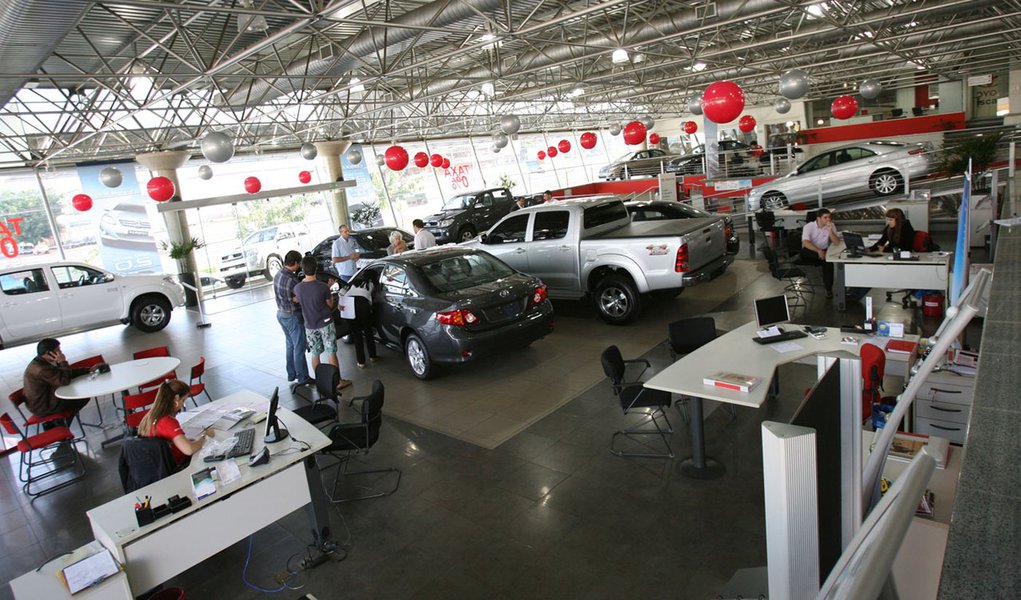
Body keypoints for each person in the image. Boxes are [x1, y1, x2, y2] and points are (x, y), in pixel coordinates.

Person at [294, 256, 352, 390]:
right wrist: (329, 289)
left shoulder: (297, 288)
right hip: (325, 323)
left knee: (315, 353)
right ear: (316, 269)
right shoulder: (322, 287)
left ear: (303, 269)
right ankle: (338, 381)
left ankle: (320, 381)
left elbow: (299, 299)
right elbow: (330, 305)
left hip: (310, 325)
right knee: (331, 352)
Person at [22, 338, 104, 423]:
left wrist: (88, 370)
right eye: (58, 350)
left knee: (79, 395)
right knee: (81, 398)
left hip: (45, 399)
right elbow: (64, 380)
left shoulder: (41, 361)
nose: (60, 352)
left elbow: (65, 373)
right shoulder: (41, 369)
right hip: (43, 407)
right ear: (49, 353)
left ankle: (61, 422)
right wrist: (63, 362)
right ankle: (60, 423)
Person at [136, 379, 214, 468]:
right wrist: (205, 436)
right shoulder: (167, 422)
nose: (183, 405)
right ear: (176, 399)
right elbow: (189, 450)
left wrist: (184, 441)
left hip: (157, 465)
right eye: (183, 400)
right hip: (176, 464)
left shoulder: (149, 417)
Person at [274, 250, 312, 391]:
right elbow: (301, 296)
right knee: (299, 347)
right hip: (292, 316)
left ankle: (292, 374)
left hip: (281, 314)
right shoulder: (292, 279)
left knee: (290, 345)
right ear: (295, 263)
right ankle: (303, 377)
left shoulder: (278, 274)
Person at [799, 208, 841, 298]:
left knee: (828, 262)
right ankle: (822, 256)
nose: (828, 219)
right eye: (825, 217)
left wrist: (830, 231)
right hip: (809, 250)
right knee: (825, 257)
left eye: (829, 217)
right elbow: (805, 242)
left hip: (823, 250)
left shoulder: (831, 225)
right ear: (818, 218)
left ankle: (828, 289)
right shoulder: (809, 226)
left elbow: (837, 243)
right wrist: (818, 251)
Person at [344, 273, 380, 368]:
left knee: (357, 335)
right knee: (368, 332)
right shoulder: (370, 283)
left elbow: (341, 293)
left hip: (351, 306)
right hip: (363, 306)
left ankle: (361, 362)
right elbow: (373, 298)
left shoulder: (353, 283)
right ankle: (373, 356)